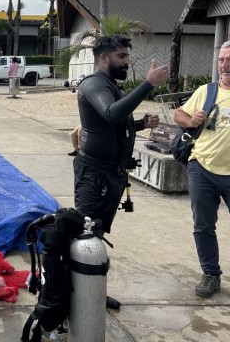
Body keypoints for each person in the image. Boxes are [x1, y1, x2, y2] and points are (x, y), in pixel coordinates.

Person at [74, 35, 168, 307]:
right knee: (86, 234)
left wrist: (138, 125)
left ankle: (91, 290)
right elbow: (111, 113)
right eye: (121, 57)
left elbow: (113, 126)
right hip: (93, 174)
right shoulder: (93, 84)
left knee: (97, 233)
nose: (127, 62)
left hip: (111, 173)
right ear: (104, 59)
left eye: (127, 56)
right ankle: (78, 295)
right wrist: (148, 84)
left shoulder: (110, 85)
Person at [173, 40, 230, 298]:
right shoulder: (206, 91)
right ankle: (211, 274)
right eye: (221, 60)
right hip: (203, 168)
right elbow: (179, 115)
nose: (225, 65)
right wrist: (191, 119)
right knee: (204, 226)